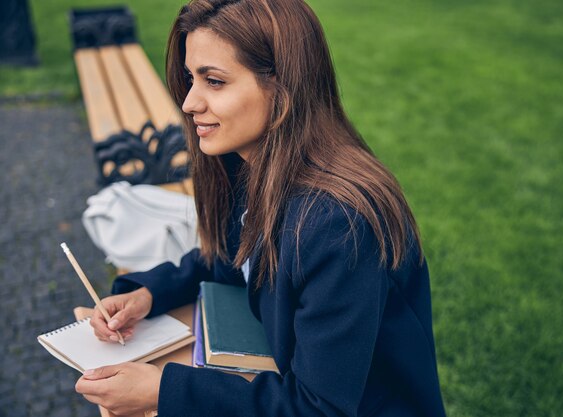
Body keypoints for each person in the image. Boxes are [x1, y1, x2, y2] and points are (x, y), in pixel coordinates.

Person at [74, 0, 447, 416]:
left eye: (214, 81)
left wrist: (164, 391)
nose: (189, 103)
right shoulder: (254, 162)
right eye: (190, 78)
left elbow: (318, 408)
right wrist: (149, 294)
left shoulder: (338, 225)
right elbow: (237, 259)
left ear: (283, 88)